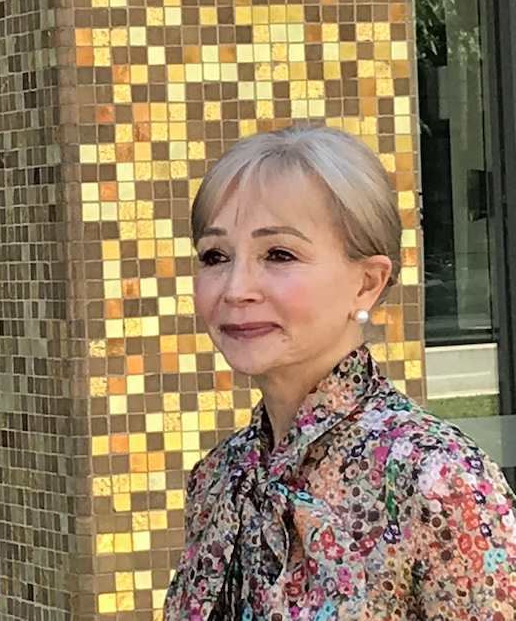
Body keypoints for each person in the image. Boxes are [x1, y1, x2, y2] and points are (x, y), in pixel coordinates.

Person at [163, 126, 516, 620]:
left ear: (367, 283)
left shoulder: (436, 480)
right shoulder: (220, 478)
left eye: (279, 254)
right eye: (215, 256)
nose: (236, 287)